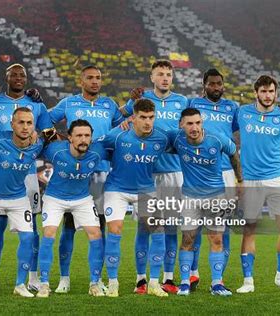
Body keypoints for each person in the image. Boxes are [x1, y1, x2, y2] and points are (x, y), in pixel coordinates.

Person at [48, 65, 124, 293]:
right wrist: (60, 139)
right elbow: (46, 120)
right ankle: (64, 278)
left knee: (98, 227)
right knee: (69, 227)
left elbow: (123, 126)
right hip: (76, 171)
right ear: (81, 81)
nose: (94, 81)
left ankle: (96, 278)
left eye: (98, 78)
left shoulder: (109, 105)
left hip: (102, 172)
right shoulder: (69, 103)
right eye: (90, 78)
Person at [121, 60, 188, 294]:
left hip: (173, 173)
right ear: (152, 77)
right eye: (160, 74)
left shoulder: (182, 101)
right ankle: (141, 279)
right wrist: (128, 107)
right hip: (145, 173)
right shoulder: (141, 100)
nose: (165, 78)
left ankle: (168, 278)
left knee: (170, 228)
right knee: (144, 227)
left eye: (169, 74)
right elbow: (117, 119)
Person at [0, 63, 54, 291]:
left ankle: (32, 277)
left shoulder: (36, 103)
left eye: (22, 75)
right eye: (13, 75)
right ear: (5, 78)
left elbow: (48, 132)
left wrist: (39, 136)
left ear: (26, 79)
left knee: (31, 227)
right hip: (0, 170)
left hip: (27, 174)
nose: (18, 78)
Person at [236, 75, 280, 294]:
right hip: (251, 180)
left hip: (277, 179)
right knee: (249, 229)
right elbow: (224, 133)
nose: (267, 95)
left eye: (271, 91)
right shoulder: (243, 113)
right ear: (256, 92)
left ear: (276, 93)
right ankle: (248, 281)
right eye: (263, 91)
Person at [167, 108, 242, 296]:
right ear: (181, 125)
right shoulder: (176, 138)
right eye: (190, 123)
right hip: (190, 198)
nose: (195, 127)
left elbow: (234, 154)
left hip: (215, 196)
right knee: (188, 239)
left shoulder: (216, 140)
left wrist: (240, 179)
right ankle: (184, 283)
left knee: (216, 238)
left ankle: (217, 284)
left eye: (198, 123)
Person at [102, 99, 169, 297]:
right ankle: (113, 283)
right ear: (134, 118)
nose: (148, 122)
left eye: (151, 117)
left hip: (146, 190)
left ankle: (154, 283)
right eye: (143, 117)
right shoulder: (117, 135)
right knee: (115, 231)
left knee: (158, 231)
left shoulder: (162, 138)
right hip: (117, 189)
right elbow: (96, 147)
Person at [0, 107, 44, 298]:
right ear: (12, 124)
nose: (25, 127)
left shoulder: (37, 145)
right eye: (21, 122)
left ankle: (20, 285)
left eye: (29, 123)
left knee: (29, 238)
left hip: (18, 198)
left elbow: (57, 139)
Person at [37, 120, 106, 298]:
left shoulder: (97, 151)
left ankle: (95, 283)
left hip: (82, 199)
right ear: (69, 138)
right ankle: (44, 283)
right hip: (55, 198)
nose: (83, 140)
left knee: (96, 234)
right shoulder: (55, 150)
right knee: (49, 233)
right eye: (79, 136)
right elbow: (33, 148)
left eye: (87, 136)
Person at [187, 68, 239, 290]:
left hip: (226, 172)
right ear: (204, 85)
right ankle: (192, 273)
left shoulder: (232, 107)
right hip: (198, 170)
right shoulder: (193, 103)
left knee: (222, 228)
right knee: (194, 226)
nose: (216, 87)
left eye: (219, 84)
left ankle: (219, 279)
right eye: (212, 84)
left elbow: (245, 124)